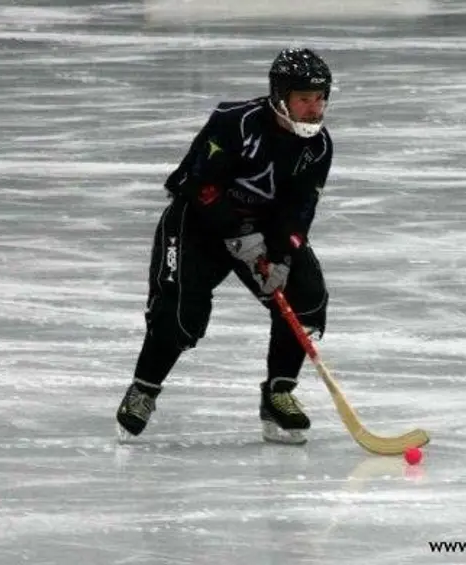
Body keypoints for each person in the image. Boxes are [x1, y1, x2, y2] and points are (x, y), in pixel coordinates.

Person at [116, 48, 333, 444]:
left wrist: (282, 255)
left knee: (306, 300)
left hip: (263, 231)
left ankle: (278, 396)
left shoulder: (318, 147)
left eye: (320, 98)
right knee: (179, 314)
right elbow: (196, 183)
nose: (314, 108)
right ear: (280, 96)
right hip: (197, 225)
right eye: (304, 98)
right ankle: (143, 390)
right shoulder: (235, 122)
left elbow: (300, 210)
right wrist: (238, 233)